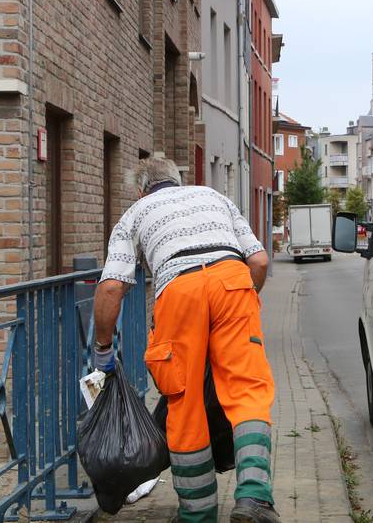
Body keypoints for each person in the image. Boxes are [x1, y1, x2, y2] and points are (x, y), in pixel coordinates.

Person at [92, 156, 280, 523]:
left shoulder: (135, 213)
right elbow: (258, 261)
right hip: (233, 281)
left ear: (141, 190)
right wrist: (240, 305)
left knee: (185, 403)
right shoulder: (214, 196)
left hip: (179, 292)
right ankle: (255, 499)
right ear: (178, 181)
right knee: (248, 392)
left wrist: (103, 349)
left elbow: (112, 287)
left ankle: (198, 514)